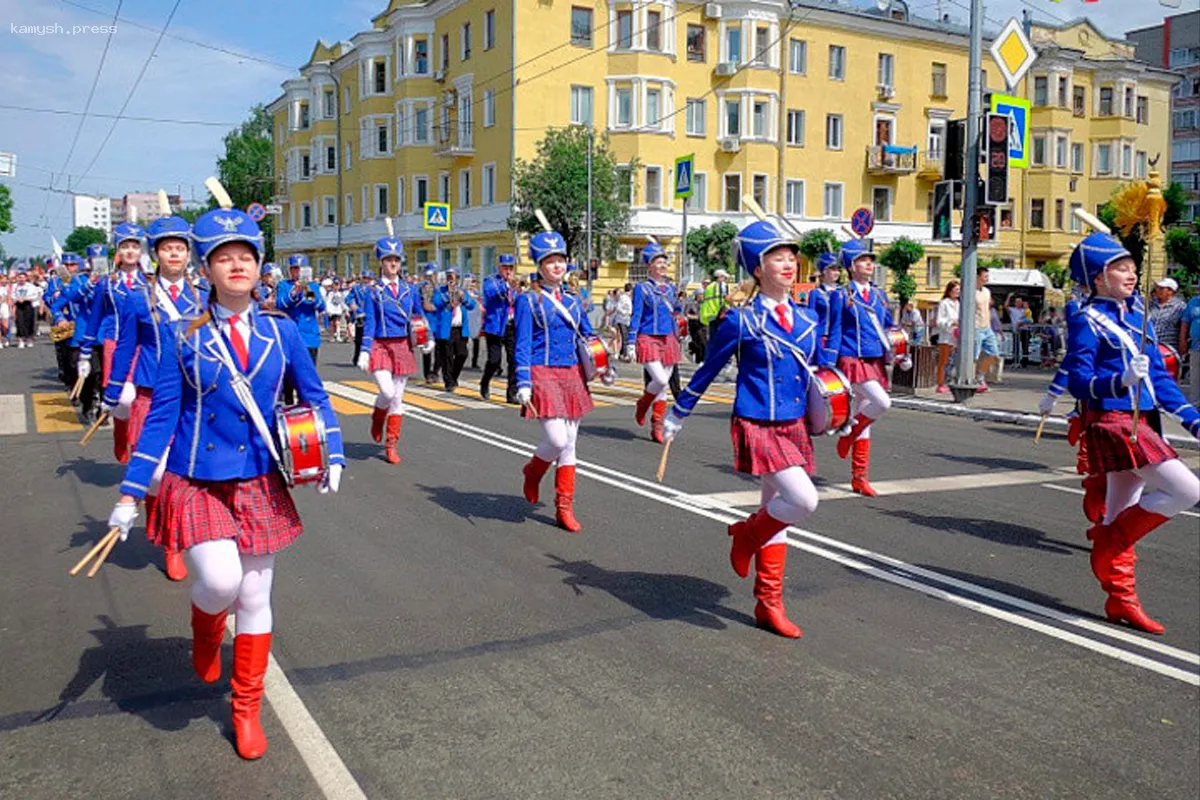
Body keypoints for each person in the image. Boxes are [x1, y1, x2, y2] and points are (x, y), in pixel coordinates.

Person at [104, 202, 345, 760]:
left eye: (247, 256)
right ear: (206, 268)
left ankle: (246, 708)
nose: (237, 265)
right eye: (224, 257)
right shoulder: (183, 334)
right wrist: (129, 494)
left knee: (256, 592)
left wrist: (332, 451)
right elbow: (162, 414)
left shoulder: (280, 334)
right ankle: (206, 625)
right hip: (198, 477)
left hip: (260, 478)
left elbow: (314, 396)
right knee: (218, 583)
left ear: (260, 267)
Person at [663, 220, 834, 639]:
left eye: (791, 256)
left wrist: (836, 405)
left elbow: (820, 368)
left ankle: (768, 603)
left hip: (794, 424)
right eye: (777, 257)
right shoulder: (741, 321)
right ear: (758, 268)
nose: (789, 263)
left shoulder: (809, 318)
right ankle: (744, 535)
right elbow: (708, 369)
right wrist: (678, 411)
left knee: (781, 516)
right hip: (757, 421)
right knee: (803, 500)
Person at [1061, 232, 1200, 634]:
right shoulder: (1087, 320)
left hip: (1142, 421)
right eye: (1119, 268)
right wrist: (1119, 380)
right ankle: (1107, 543)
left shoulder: (1137, 316)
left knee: (1122, 510)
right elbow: (1079, 381)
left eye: (1132, 267)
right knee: (1187, 491)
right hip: (1115, 422)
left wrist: (1191, 419)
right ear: (1098, 277)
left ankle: (1121, 599)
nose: (1131, 274)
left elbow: (1158, 377)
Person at [103, 214, 204, 581]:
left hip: (194, 396)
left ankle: (174, 541)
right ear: (156, 254)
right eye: (167, 248)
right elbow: (127, 348)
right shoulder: (136, 298)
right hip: (150, 394)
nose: (174, 254)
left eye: (180, 248)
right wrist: (113, 393)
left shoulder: (204, 296)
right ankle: (164, 532)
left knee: (183, 474)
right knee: (157, 475)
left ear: (188, 254)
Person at [515, 231, 596, 533]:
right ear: (539, 265)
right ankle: (533, 472)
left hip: (572, 372)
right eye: (550, 261)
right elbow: (522, 343)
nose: (557, 266)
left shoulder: (574, 301)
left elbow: (587, 334)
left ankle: (564, 506)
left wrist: (603, 360)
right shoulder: (529, 300)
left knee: (571, 443)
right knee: (557, 440)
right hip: (542, 371)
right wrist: (522, 381)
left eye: (560, 259)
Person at [830, 239, 910, 496]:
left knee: (866, 417)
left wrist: (901, 352)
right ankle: (849, 434)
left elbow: (889, 326)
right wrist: (827, 364)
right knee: (882, 403)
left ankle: (859, 478)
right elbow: (835, 331)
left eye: (871, 260)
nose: (870, 264)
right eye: (864, 260)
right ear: (852, 266)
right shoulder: (842, 296)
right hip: (852, 359)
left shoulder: (878, 295)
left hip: (874, 360)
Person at [357, 233, 431, 464]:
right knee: (387, 392)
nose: (393, 264)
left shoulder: (409, 289)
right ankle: (378, 417)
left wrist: (428, 337)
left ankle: (391, 444)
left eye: (396, 260)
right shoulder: (374, 291)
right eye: (388, 259)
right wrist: (365, 350)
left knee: (398, 398)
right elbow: (369, 322)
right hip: (380, 344)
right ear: (381, 262)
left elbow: (419, 315)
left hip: (402, 345)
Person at [78, 223, 148, 462]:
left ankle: (139, 448)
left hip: (144, 346)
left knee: (143, 399)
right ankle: (121, 431)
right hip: (115, 345)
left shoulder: (150, 283)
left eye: (135, 247)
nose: (130, 251)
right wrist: (85, 354)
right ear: (117, 251)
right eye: (125, 246)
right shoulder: (107, 283)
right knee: (123, 400)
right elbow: (94, 318)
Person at [626, 244, 682, 443]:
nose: (662, 265)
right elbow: (637, 315)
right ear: (649, 266)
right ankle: (643, 404)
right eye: (658, 262)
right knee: (660, 380)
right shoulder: (642, 288)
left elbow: (676, 310)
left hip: (668, 338)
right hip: (648, 336)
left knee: (663, 387)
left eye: (664, 261)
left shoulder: (671, 288)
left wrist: (680, 312)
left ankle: (657, 425)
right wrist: (631, 342)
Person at [276, 254, 325, 404]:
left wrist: (307, 290)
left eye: (300, 269)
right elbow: (280, 305)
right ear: (290, 270)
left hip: (309, 338)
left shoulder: (314, 286)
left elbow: (320, 306)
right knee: (288, 381)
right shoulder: (284, 285)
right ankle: (287, 410)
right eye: (294, 269)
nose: (297, 272)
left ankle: (306, 410)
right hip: (289, 338)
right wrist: (294, 293)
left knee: (307, 380)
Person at [480, 254, 519, 403]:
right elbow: (491, 295)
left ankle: (512, 393)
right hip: (495, 326)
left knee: (513, 360)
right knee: (494, 361)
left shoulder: (515, 285)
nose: (508, 271)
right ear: (499, 267)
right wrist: (507, 285)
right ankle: (485, 381)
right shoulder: (491, 281)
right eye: (505, 267)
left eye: (510, 268)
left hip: (511, 326)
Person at [432, 267, 476, 391]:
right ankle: (448, 382)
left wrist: (463, 298)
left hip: (460, 329)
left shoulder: (462, 291)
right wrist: (448, 298)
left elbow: (472, 305)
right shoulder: (441, 291)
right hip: (446, 329)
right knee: (448, 357)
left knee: (462, 354)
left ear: (457, 278)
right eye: (448, 276)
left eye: (452, 276)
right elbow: (436, 302)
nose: (450, 278)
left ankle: (453, 376)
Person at [973, 266, 1001, 391]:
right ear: (977, 277)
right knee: (974, 356)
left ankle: (980, 375)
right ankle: (972, 379)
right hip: (976, 327)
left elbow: (987, 308)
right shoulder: (970, 291)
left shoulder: (987, 291)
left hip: (987, 327)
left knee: (994, 354)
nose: (987, 279)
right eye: (985, 276)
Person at [1148, 277, 1185, 358]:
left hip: (1169, 349)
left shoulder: (1180, 307)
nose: (1157, 290)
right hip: (1150, 347)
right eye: (1157, 288)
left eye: (1161, 289)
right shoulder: (1150, 305)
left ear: (1170, 291)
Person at [934, 281, 960, 393]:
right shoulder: (944, 303)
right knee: (943, 361)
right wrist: (950, 322)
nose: (958, 292)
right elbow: (939, 321)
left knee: (954, 361)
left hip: (957, 336)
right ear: (950, 291)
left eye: (959, 290)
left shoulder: (959, 303)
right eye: (956, 289)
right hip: (946, 336)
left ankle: (951, 381)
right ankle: (940, 384)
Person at [347, 270, 373, 363]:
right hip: (360, 314)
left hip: (371, 315)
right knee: (359, 338)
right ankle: (357, 357)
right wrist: (352, 304)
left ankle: (370, 358)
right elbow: (348, 298)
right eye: (365, 278)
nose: (366, 280)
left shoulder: (374, 288)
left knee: (371, 337)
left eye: (368, 278)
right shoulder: (356, 288)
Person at [11, 269, 40, 348]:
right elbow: (12, 295)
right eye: (20, 277)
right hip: (19, 305)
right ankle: (21, 340)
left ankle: (29, 339)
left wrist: (26, 298)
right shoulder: (15, 286)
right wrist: (17, 299)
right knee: (19, 322)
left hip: (28, 305)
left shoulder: (31, 286)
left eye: (23, 277)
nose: (21, 279)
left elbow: (35, 296)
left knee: (29, 322)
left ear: (26, 278)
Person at [1185, 289, 1200, 405]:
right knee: (1195, 376)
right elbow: (1185, 322)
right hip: (1195, 346)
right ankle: (1195, 403)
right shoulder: (1193, 302)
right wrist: (1182, 341)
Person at [614, 283, 633, 358]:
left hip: (626, 320)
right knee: (625, 337)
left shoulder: (628, 298)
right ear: (630, 290)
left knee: (626, 337)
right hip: (622, 320)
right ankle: (624, 354)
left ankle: (622, 353)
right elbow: (618, 307)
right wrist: (626, 313)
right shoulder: (623, 298)